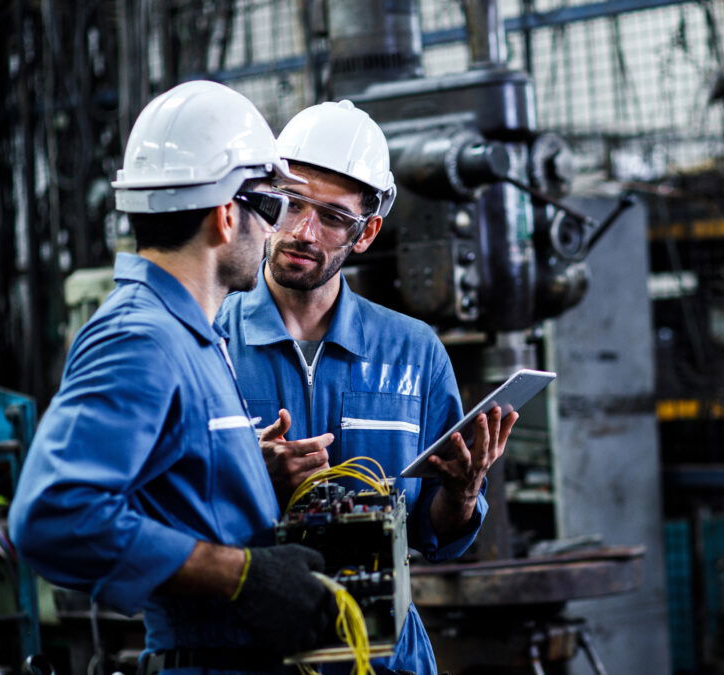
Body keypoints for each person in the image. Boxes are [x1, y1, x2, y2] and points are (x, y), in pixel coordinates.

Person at [9, 81, 338, 675]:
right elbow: (54, 515)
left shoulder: (194, 335)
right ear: (226, 213)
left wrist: (236, 467)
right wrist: (244, 574)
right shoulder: (143, 338)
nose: (273, 231)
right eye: (270, 207)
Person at [216, 100, 518, 675]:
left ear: (366, 233)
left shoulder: (412, 351)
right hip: (253, 651)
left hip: (384, 655)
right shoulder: (212, 339)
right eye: (293, 204)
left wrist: (461, 491)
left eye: (332, 218)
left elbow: (439, 534)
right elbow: (169, 507)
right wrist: (253, 476)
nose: (304, 231)